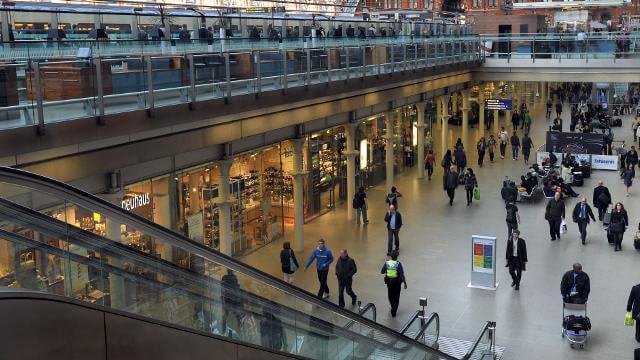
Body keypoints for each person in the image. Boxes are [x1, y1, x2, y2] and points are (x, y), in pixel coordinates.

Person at [381, 251, 407, 317]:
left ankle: (392, 306)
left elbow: (382, 271)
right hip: (397, 283)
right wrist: (405, 283)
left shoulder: (387, 263)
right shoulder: (398, 264)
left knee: (390, 296)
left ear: (391, 256)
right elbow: (402, 275)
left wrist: (388, 270)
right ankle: (394, 310)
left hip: (389, 283)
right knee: (396, 296)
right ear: (397, 256)